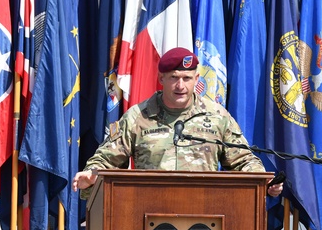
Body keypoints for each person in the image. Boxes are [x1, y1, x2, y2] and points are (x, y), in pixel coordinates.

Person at [73, 47, 283, 198]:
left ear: (197, 79)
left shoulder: (217, 116)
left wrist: (262, 181)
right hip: (148, 210)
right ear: (161, 78)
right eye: (174, 77)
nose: (180, 85)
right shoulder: (138, 116)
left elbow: (243, 160)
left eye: (187, 78)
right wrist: (92, 174)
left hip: (206, 213)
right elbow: (105, 159)